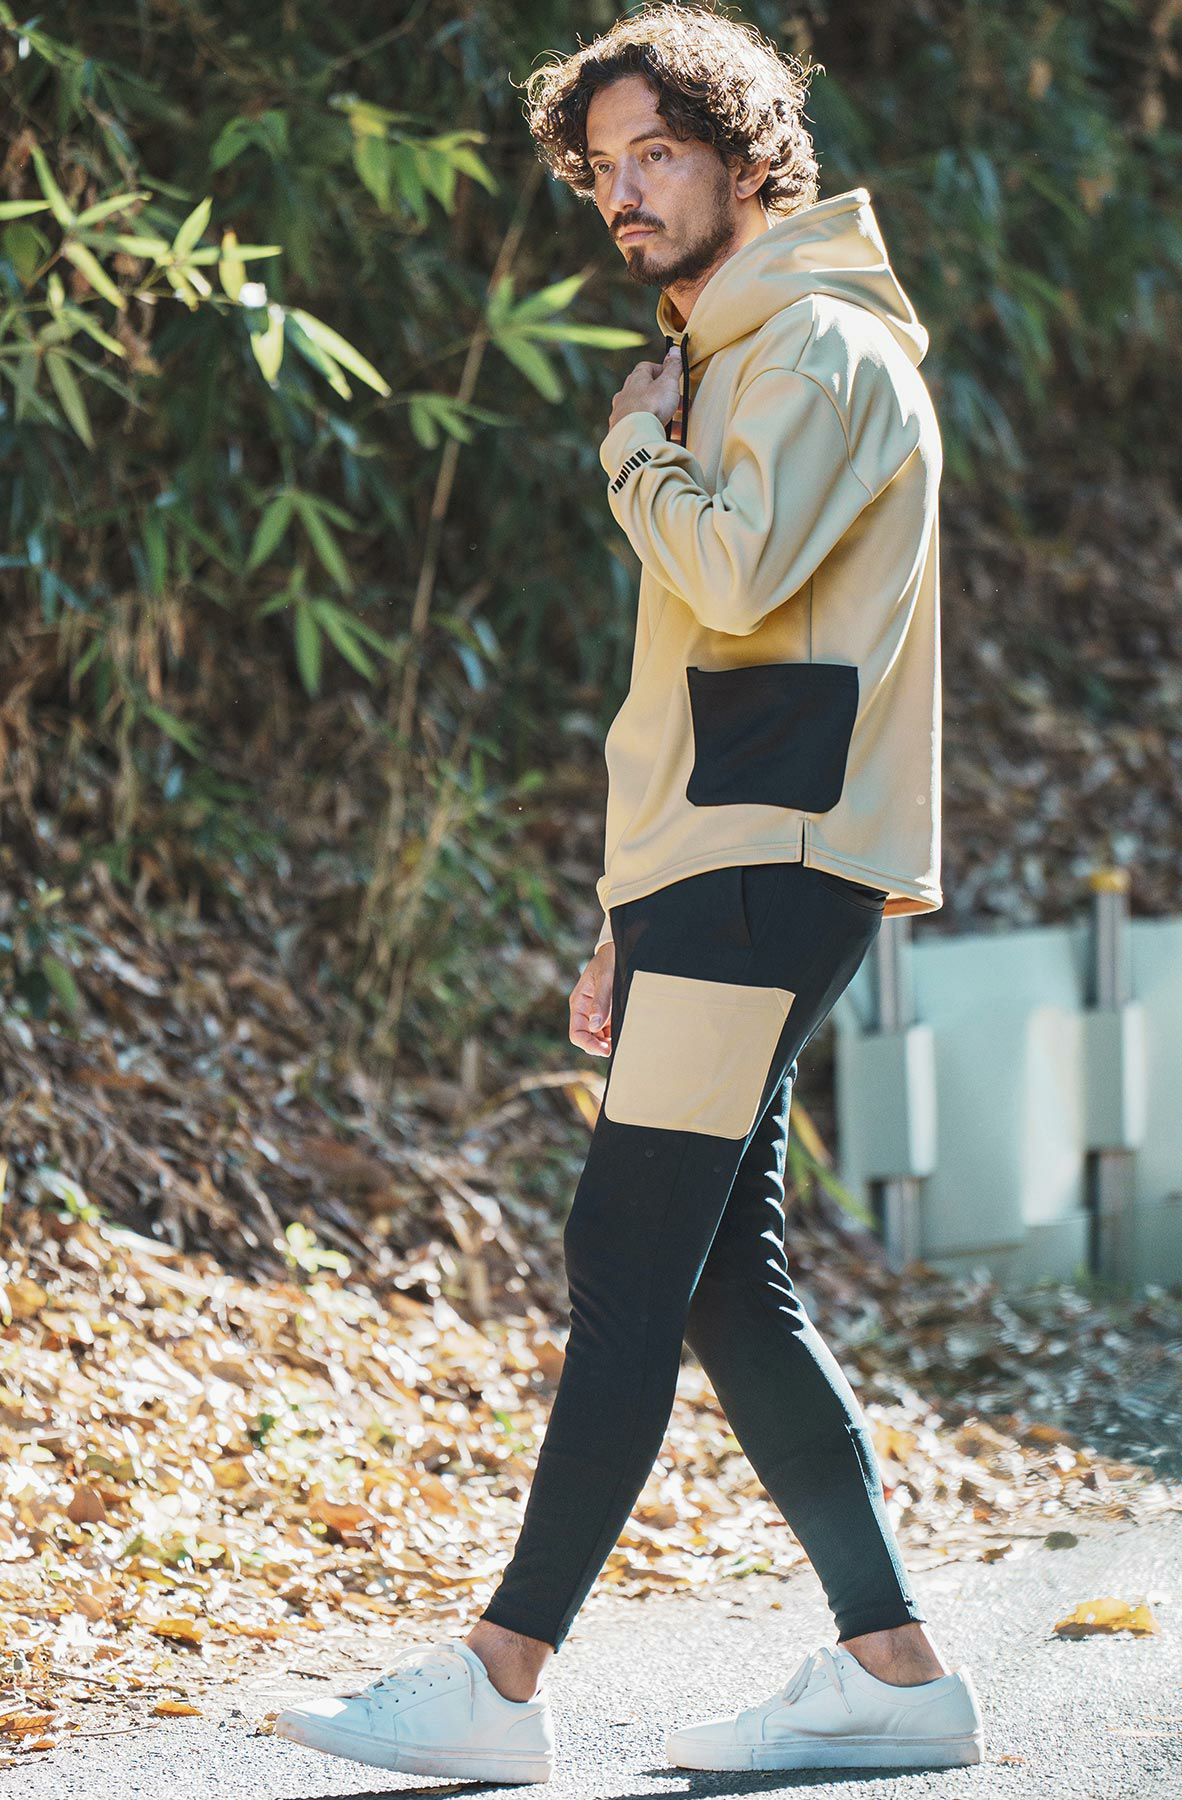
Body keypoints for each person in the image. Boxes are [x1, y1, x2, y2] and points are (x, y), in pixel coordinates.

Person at [274, 2, 981, 1782]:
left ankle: (499, 1681)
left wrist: (630, 447)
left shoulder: (811, 346)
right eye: (602, 168)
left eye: (656, 153)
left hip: (767, 868)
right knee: (722, 1278)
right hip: (722, 868)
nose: (624, 194)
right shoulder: (736, 353)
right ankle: (894, 1673)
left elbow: (732, 580)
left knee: (628, 1252)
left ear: (750, 155)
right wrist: (626, 910)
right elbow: (718, 671)